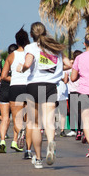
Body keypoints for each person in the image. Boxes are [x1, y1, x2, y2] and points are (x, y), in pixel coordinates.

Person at [19, 22, 72, 168]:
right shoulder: (55, 47)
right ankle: (50, 142)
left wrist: (21, 69)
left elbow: (28, 64)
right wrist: (57, 69)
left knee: (35, 124)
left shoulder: (30, 47)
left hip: (34, 86)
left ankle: (38, 158)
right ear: (45, 32)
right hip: (50, 87)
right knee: (49, 121)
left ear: (31, 34)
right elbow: (69, 64)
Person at [1, 28, 32, 157]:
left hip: (16, 88)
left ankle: (20, 132)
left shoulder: (11, 56)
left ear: (16, 41)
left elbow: (3, 76)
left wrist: (13, 78)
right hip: (30, 88)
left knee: (17, 119)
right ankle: (28, 150)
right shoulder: (31, 54)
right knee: (30, 120)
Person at [0, 44, 17, 153]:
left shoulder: (3, 61)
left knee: (5, 118)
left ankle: (2, 141)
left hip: (3, 90)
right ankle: (14, 141)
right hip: (14, 90)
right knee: (16, 118)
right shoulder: (17, 60)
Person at [68, 50, 83, 140]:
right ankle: (79, 130)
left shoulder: (72, 68)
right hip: (75, 91)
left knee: (76, 112)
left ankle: (79, 130)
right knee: (79, 112)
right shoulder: (72, 68)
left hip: (77, 91)